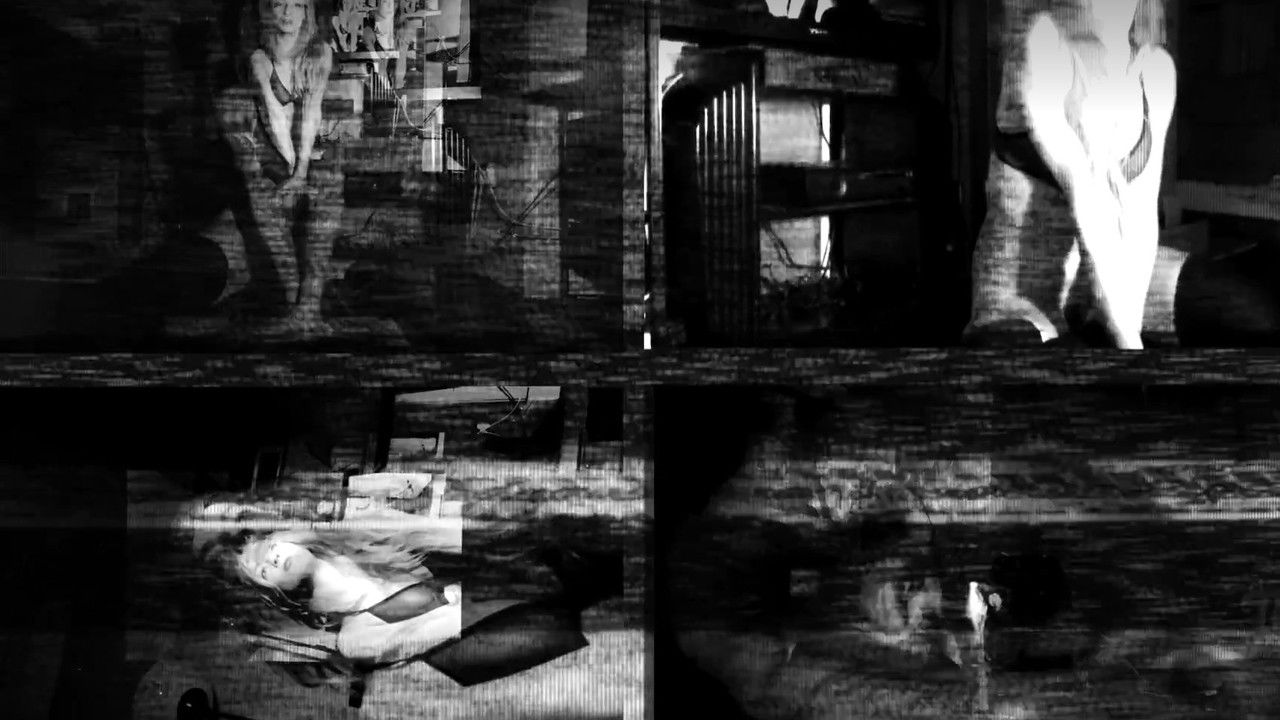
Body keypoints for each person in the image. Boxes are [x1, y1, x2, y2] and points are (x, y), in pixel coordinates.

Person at [966, 0, 1175, 348]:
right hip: (1024, 300)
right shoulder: (1041, 41)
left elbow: (1141, 217)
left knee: (1234, 301)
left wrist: (1130, 321)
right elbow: (1087, 198)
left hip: (1106, 286)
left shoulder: (1156, 70)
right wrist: (1127, 340)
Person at [211, 529, 623, 702]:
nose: (273, 558)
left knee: (542, 552)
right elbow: (447, 622)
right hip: (484, 630)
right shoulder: (353, 636)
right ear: (276, 591)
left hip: (484, 597)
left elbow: (441, 550)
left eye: (270, 547)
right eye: (262, 570)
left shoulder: (358, 546)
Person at [213, 0, 337, 335]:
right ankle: (291, 299)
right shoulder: (260, 59)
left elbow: (312, 111)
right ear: (268, 11)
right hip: (276, 151)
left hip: (309, 153)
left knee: (327, 196)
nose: (287, 13)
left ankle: (308, 306)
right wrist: (290, 173)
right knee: (263, 198)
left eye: (297, 5)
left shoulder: (320, 53)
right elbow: (275, 118)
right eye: (280, 3)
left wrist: (301, 173)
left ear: (307, 12)